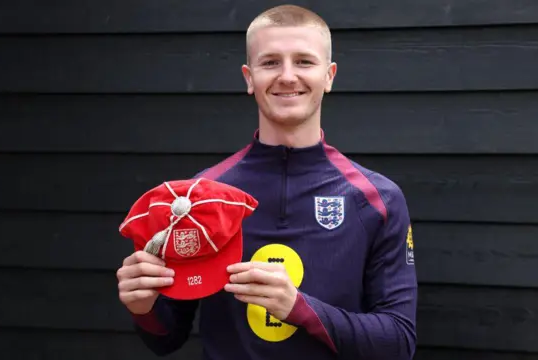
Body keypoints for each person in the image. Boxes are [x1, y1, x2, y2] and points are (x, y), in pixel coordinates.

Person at [116, 4, 417, 360]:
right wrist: (143, 306)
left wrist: (299, 308)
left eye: (304, 61)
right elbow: (167, 338)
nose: (287, 76)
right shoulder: (200, 196)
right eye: (270, 62)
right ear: (248, 77)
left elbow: (398, 343)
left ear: (329, 75)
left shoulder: (377, 198)